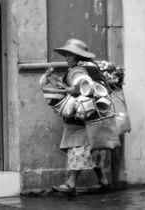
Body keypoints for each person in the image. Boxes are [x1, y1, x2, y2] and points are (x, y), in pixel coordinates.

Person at [40, 38, 109, 194]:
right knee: (89, 150)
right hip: (87, 119)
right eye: (67, 55)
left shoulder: (78, 71)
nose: (67, 58)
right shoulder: (86, 69)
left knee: (77, 150)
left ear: (78, 57)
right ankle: (103, 180)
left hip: (80, 120)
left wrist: (76, 89)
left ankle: (70, 184)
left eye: (70, 55)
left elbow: (83, 83)